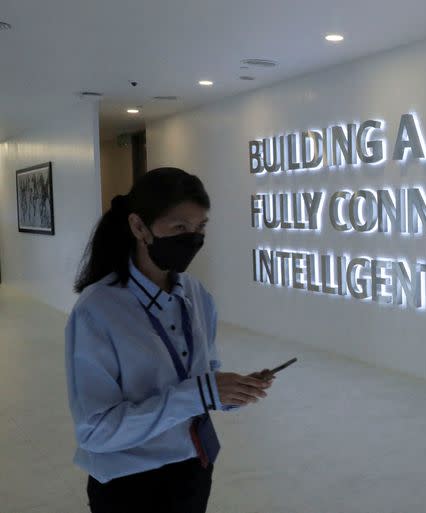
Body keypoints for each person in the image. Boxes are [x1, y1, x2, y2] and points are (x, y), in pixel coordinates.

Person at [65, 167, 274, 513]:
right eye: (179, 227)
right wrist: (200, 393)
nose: (192, 239)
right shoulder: (96, 310)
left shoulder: (197, 295)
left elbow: (203, 373)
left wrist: (229, 392)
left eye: (200, 228)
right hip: (129, 483)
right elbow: (95, 432)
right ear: (138, 227)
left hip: (194, 466)